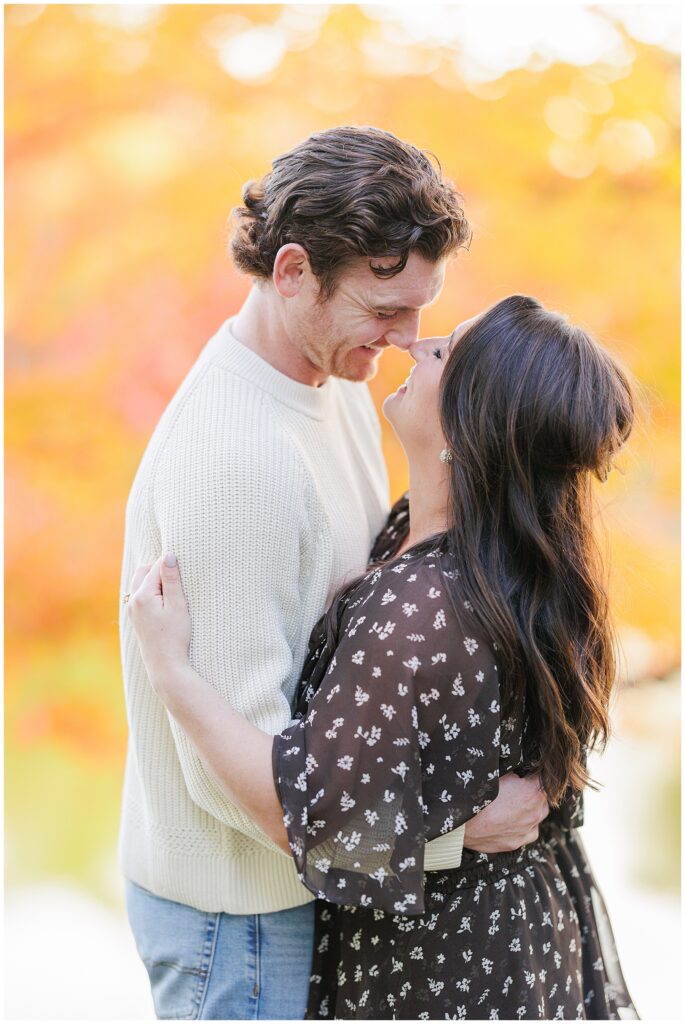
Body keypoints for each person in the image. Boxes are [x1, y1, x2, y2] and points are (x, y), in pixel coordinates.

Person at [119, 126, 548, 1020]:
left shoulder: (331, 381)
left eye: (421, 310)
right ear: (291, 272)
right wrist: (460, 836)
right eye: (383, 310)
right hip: (234, 920)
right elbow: (247, 785)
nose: (405, 342)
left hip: (303, 887)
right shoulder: (239, 465)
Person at [128, 294, 639, 1020]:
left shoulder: (418, 609)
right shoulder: (496, 557)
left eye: (445, 356)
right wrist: (458, 830)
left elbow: (307, 815)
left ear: (468, 433)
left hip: (441, 972)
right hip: (514, 934)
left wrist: (173, 675)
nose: (418, 346)